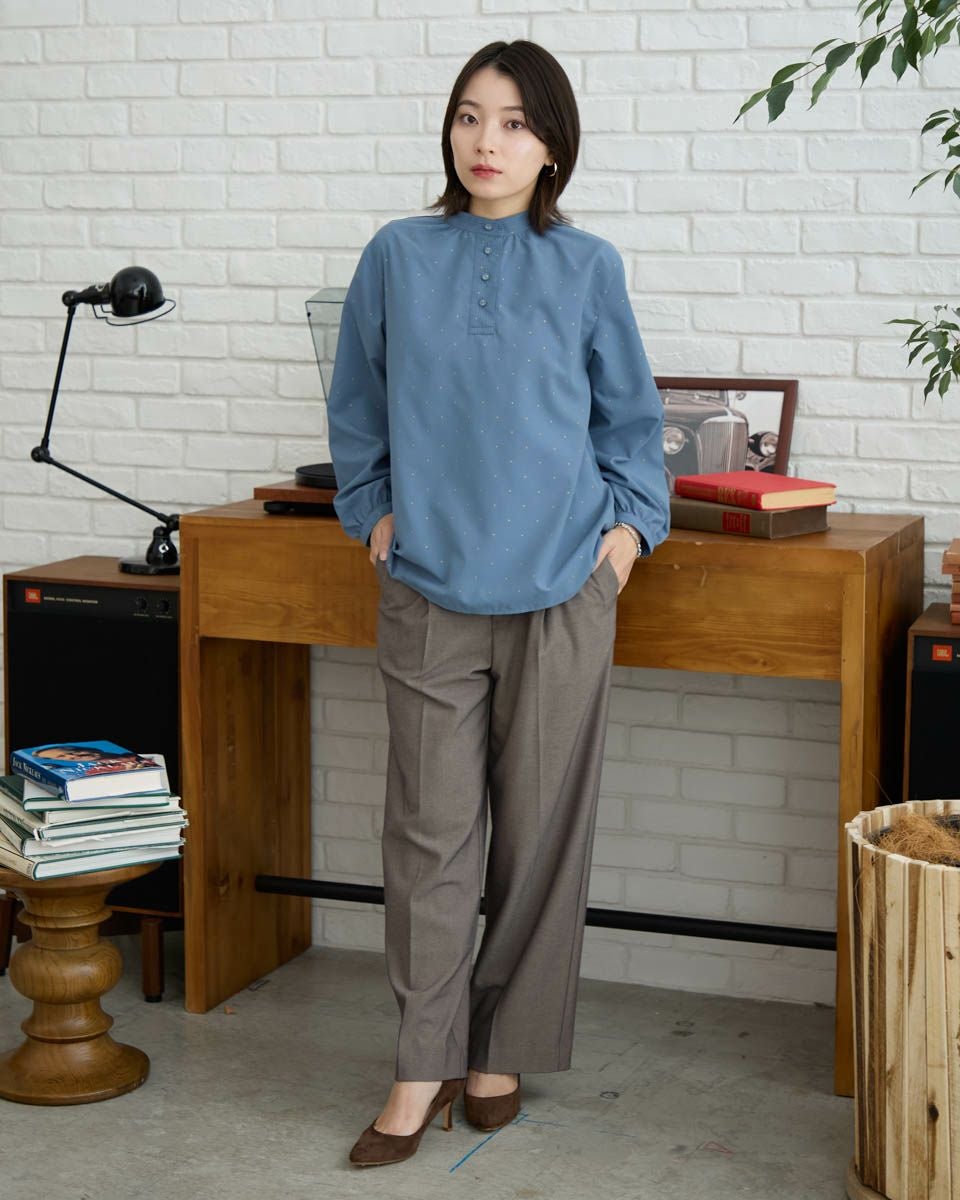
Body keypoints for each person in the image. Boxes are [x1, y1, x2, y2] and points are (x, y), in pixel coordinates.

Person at [325, 39, 670, 1169]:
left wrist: (624, 539)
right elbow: (357, 406)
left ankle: (500, 1053)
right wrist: (373, 512)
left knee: (538, 837)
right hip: (429, 585)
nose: (488, 141)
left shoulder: (589, 267)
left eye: (516, 122)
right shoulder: (397, 255)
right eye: (471, 116)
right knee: (429, 837)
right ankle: (419, 1063)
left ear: (552, 145)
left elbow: (631, 425)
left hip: (563, 588)